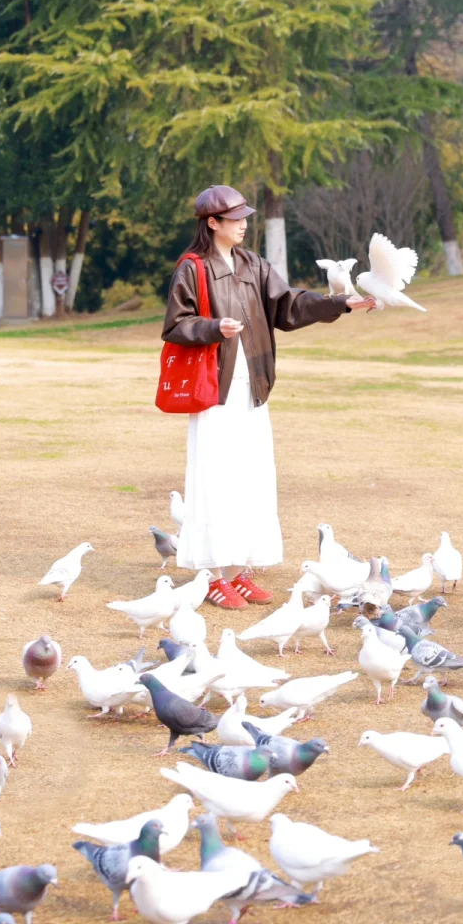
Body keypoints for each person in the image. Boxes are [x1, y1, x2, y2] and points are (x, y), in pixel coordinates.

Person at [161, 184, 374, 608]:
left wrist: (340, 304)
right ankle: (213, 574)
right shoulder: (192, 268)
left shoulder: (252, 264)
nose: (243, 225)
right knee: (216, 480)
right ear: (212, 223)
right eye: (235, 219)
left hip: (253, 388)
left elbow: (288, 305)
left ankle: (239, 572)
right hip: (215, 394)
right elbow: (175, 325)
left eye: (244, 218)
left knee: (251, 477)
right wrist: (211, 328)